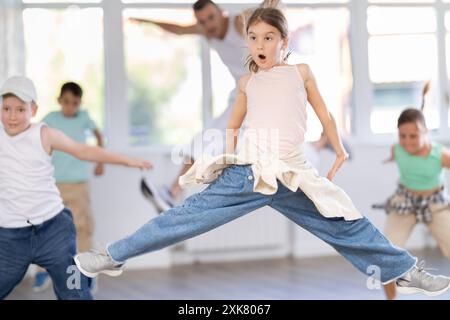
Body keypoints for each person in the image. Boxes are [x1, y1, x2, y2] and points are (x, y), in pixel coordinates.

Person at [75, 7, 450, 297]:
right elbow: (233, 126)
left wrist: (338, 150)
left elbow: (325, 114)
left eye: (269, 37)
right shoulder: (247, 81)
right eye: (253, 38)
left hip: (293, 174)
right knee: (181, 218)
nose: (259, 45)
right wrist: (231, 159)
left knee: (348, 224)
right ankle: (113, 256)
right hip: (248, 173)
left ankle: (405, 272)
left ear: (284, 41)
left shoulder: (300, 71)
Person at [0, 76, 151, 299]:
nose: (12, 116)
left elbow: (84, 150)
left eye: (20, 109)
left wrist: (127, 160)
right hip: (10, 236)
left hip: (53, 231)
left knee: (74, 291)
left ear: (34, 109)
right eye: (6, 108)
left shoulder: (43, 134)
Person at [131, 0, 281, 201]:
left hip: (264, 94)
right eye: (202, 21)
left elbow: (262, 13)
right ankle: (173, 191)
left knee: (231, 142)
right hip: (243, 95)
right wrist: (143, 21)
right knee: (204, 141)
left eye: (211, 17)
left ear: (221, 12)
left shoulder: (237, 24)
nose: (208, 25)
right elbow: (177, 29)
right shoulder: (205, 31)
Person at [31, 82, 104, 292]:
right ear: (59, 101)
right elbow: (34, 136)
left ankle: (87, 273)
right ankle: (43, 271)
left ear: (80, 103)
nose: (70, 107)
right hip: (54, 183)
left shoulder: (84, 118)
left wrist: (100, 161)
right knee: (46, 227)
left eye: (75, 103)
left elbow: (98, 134)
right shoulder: (51, 118)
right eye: (66, 102)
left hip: (79, 184)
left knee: (82, 228)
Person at [380, 82, 450, 299]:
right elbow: (397, 154)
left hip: (436, 203)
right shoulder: (396, 149)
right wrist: (391, 157)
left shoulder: (441, 154)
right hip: (405, 201)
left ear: (426, 132)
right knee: (385, 256)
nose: (407, 142)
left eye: (413, 136)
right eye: (402, 136)